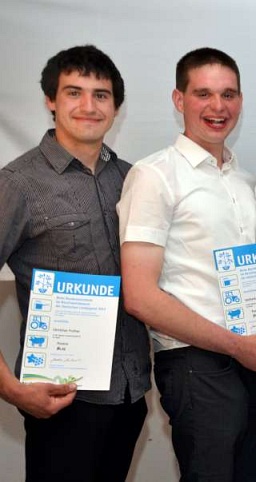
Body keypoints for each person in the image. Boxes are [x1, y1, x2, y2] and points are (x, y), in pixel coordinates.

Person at [118, 47, 256, 481]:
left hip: (248, 362)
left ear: (241, 101)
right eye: (204, 94)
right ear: (179, 100)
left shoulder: (245, 181)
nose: (218, 106)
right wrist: (235, 346)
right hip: (195, 366)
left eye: (228, 94)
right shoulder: (154, 176)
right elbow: (139, 296)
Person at [0, 45, 151, 482]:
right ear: (50, 100)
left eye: (101, 95)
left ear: (116, 107)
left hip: (130, 392)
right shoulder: (18, 184)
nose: (88, 106)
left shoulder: (133, 179)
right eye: (73, 92)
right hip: (62, 401)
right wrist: (11, 389)